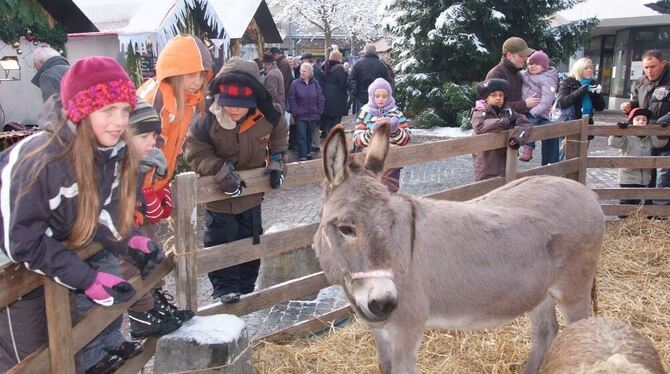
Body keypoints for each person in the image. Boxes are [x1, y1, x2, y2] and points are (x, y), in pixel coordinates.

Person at [0, 56, 162, 373]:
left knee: (67, 345)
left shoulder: (109, 152)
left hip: (47, 249)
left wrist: (131, 241)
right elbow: (21, 241)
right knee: (33, 357)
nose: (119, 121)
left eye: (124, 110)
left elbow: (102, 211)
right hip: (9, 266)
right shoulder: (43, 160)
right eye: (107, 110)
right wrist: (86, 278)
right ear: (82, 110)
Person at [184, 57, 288, 304]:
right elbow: (195, 151)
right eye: (229, 104)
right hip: (219, 198)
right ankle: (224, 289)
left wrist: (276, 160)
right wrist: (218, 168)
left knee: (252, 240)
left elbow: (280, 134)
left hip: (251, 197)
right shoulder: (206, 119)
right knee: (221, 240)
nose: (233, 109)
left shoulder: (268, 116)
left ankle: (247, 286)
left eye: (240, 105)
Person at [122, 99, 184, 340]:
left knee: (151, 250)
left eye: (155, 135)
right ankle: (141, 314)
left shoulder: (145, 162)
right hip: (122, 232)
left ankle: (155, 303)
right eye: (145, 135)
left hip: (139, 223)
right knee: (130, 260)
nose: (153, 141)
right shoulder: (118, 167)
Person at [137, 34, 212, 225]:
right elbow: (145, 150)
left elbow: (174, 146)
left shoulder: (188, 100)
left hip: (157, 177)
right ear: (175, 72)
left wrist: (162, 182)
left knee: (160, 216)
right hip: (136, 181)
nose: (198, 81)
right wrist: (144, 189)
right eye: (192, 74)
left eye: (202, 75)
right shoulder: (159, 100)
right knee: (141, 231)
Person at [620, 50, 670, 205]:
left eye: (653, 66)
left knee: (664, 172)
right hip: (645, 136)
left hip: (665, 134)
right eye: (646, 67)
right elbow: (637, 102)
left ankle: (660, 213)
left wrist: (664, 121)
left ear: (663, 63)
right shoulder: (641, 82)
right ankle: (647, 209)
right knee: (648, 171)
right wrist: (630, 106)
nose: (649, 71)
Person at [353, 77, 410, 192]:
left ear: (389, 96)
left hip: (392, 159)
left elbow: (406, 139)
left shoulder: (396, 113)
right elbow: (357, 140)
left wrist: (394, 131)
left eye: (384, 96)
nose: (381, 99)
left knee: (390, 191)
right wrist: (372, 132)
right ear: (371, 96)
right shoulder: (365, 113)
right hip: (370, 162)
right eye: (377, 96)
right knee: (372, 193)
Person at [471, 78, 532, 181]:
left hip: (506, 158)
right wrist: (505, 122)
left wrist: (517, 138)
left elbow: (525, 123)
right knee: (486, 187)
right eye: (493, 95)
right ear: (486, 98)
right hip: (487, 159)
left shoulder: (508, 111)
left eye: (501, 95)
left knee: (506, 184)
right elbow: (479, 127)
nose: (498, 98)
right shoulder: (480, 112)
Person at [610, 108, 668, 207]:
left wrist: (662, 132)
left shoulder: (649, 137)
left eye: (644, 120)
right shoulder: (627, 137)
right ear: (632, 121)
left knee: (641, 202)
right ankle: (625, 218)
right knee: (627, 201)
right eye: (637, 119)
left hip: (645, 177)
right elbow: (614, 143)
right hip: (628, 177)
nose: (641, 122)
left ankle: (639, 218)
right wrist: (618, 132)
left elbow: (659, 143)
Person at [555, 57, 606, 158]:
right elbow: (562, 103)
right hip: (569, 124)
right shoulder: (569, 82)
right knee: (564, 158)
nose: (589, 70)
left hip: (587, 124)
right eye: (586, 68)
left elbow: (600, 107)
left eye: (591, 68)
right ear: (579, 69)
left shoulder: (593, 84)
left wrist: (596, 94)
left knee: (580, 158)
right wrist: (581, 90)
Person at [520, 50, 559, 164]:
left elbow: (547, 100)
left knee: (546, 128)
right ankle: (525, 147)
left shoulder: (547, 79)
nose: (532, 66)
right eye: (530, 63)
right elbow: (517, 74)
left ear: (544, 66)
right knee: (527, 124)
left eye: (536, 64)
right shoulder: (525, 75)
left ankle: (532, 151)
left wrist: (533, 112)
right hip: (526, 110)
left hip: (539, 113)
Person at [486, 37, 539, 115]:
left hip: (521, 122)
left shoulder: (518, 74)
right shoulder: (495, 75)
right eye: (521, 56)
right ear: (509, 55)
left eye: (526, 55)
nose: (526, 59)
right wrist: (524, 104)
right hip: (504, 125)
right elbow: (495, 106)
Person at [287, 63, 325, 161]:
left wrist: (319, 110)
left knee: (309, 135)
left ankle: (308, 152)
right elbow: (292, 99)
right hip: (301, 115)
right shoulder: (295, 84)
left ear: (309, 73)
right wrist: (296, 112)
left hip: (313, 114)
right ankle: (302, 154)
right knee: (301, 135)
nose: (301, 73)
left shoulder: (315, 83)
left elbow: (320, 97)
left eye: (304, 71)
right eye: (301, 71)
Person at [348, 43, 393, 115]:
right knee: (376, 120)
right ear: (375, 51)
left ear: (365, 51)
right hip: (377, 97)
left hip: (361, 96)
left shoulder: (358, 64)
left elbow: (352, 80)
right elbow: (388, 80)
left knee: (361, 118)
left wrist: (354, 92)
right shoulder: (381, 64)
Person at [321, 50, 349, 138]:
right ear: (338, 58)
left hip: (326, 94)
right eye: (340, 57)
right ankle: (334, 135)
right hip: (337, 96)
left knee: (328, 116)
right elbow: (343, 83)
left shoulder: (325, 66)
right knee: (336, 117)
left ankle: (326, 132)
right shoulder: (340, 68)